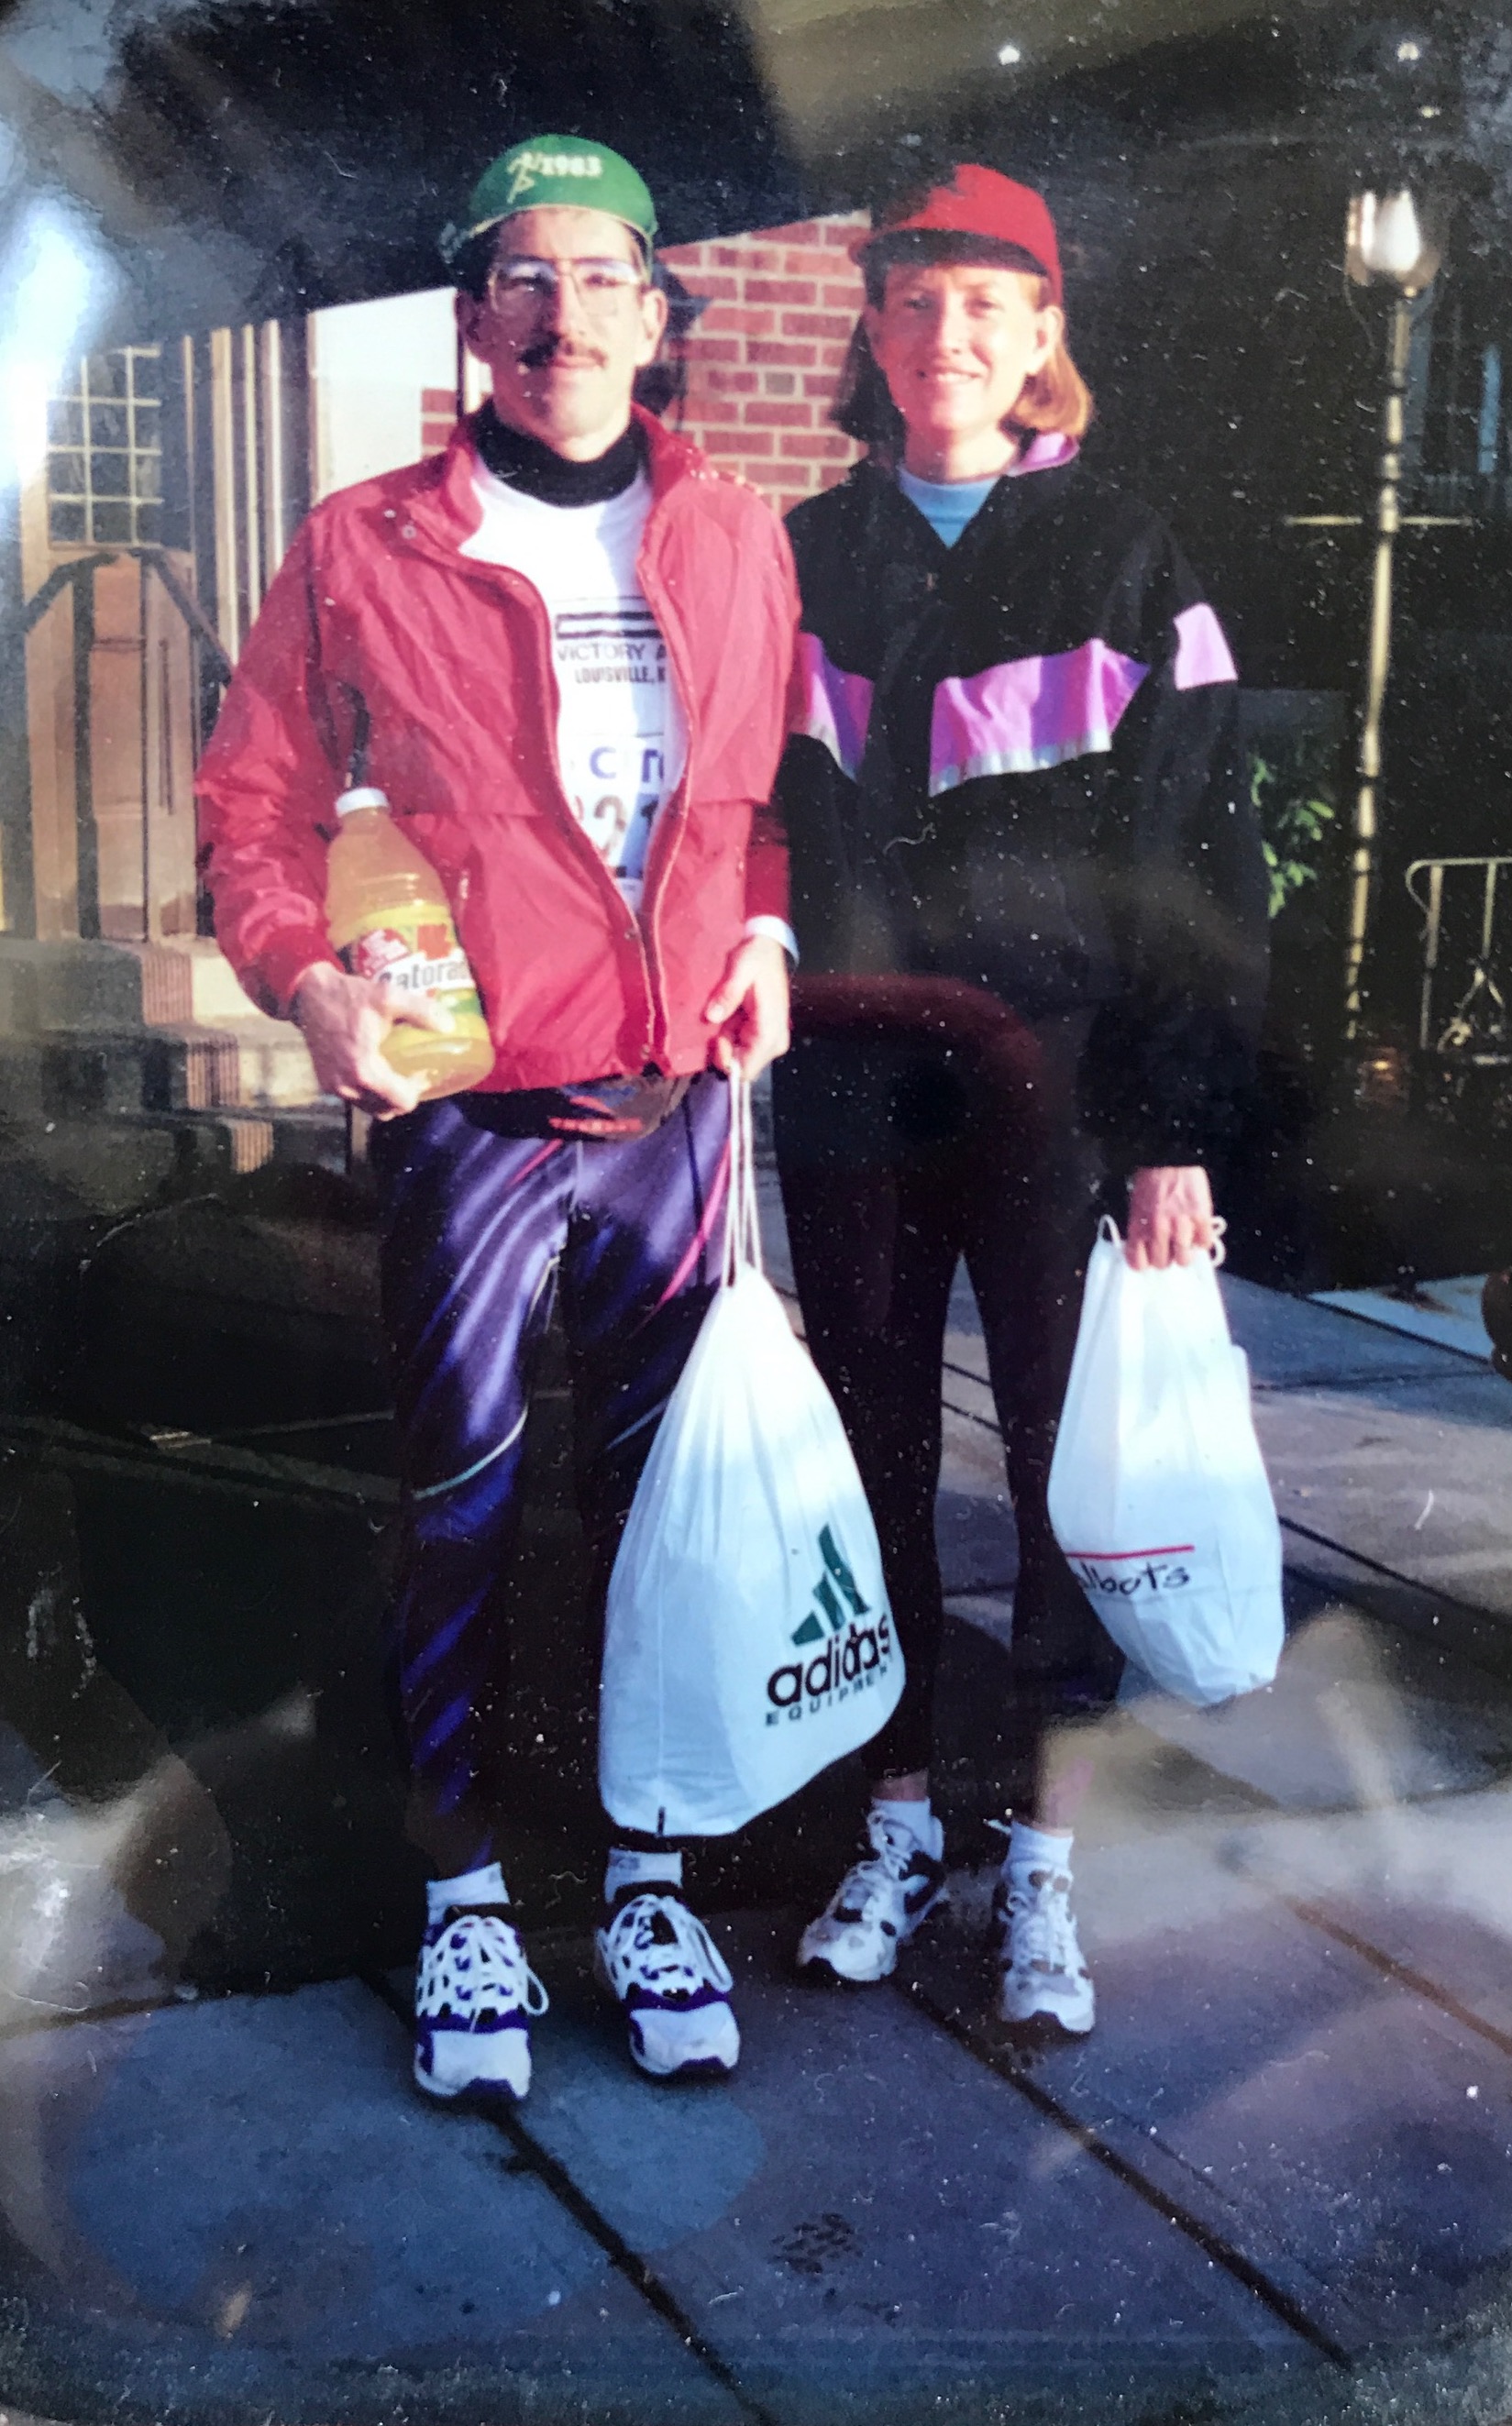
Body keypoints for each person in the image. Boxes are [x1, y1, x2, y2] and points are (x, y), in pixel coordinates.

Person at [196, 134, 799, 2100]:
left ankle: (643, 1877)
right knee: (457, 1504)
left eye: (599, 274)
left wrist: (770, 932)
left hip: (678, 1115)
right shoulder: (364, 542)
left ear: (654, 311)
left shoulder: (734, 535)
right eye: (519, 281)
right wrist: (302, 982)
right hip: (470, 1116)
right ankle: (464, 1902)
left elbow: (754, 802)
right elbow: (253, 812)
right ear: (473, 322)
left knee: (658, 1522)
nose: (562, 314)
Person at [772, 165, 1267, 2032]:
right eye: (913, 300)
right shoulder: (800, 556)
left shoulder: (1133, 560)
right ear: (873, 332)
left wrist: (1171, 1130)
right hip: (848, 1079)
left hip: (1054, 1087)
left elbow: (1206, 867)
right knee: (869, 1453)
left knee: (1074, 1468)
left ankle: (1042, 1866)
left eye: (988, 302)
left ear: (1046, 336)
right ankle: (896, 1824)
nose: (947, 334)